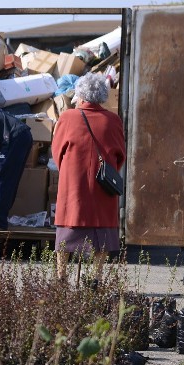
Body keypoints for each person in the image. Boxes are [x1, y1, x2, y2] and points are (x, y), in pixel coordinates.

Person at [52, 73, 126, 280]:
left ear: (81, 96)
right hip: (104, 186)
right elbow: (120, 155)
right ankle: (96, 278)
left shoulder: (68, 117)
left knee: (68, 229)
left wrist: (69, 170)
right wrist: (106, 174)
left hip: (73, 185)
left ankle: (61, 277)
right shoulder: (113, 120)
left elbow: (57, 152)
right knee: (101, 231)